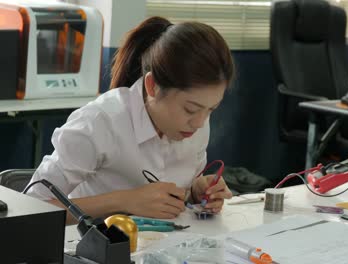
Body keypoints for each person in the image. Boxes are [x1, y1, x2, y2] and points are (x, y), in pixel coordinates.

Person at [26, 16, 235, 223]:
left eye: (211, 110)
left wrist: (197, 192)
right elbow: (31, 208)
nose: (199, 123)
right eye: (190, 109)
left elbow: (179, 194)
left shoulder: (196, 124)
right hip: (92, 248)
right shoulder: (101, 122)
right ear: (152, 85)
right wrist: (124, 201)